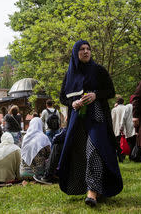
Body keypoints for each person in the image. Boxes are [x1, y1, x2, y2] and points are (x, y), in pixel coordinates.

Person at [58, 40, 123, 207]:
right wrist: (72, 103)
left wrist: (95, 95)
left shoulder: (99, 70)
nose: (86, 52)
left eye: (88, 49)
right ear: (75, 53)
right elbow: (63, 97)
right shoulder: (70, 73)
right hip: (77, 120)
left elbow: (110, 91)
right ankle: (89, 186)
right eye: (81, 49)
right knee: (80, 152)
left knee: (94, 150)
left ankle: (92, 192)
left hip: (97, 117)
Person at [111, 97, 126, 163]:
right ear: (123, 102)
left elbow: (112, 119)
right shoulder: (126, 108)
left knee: (117, 144)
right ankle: (122, 157)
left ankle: (118, 157)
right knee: (124, 143)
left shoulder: (114, 110)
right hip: (125, 129)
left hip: (116, 129)